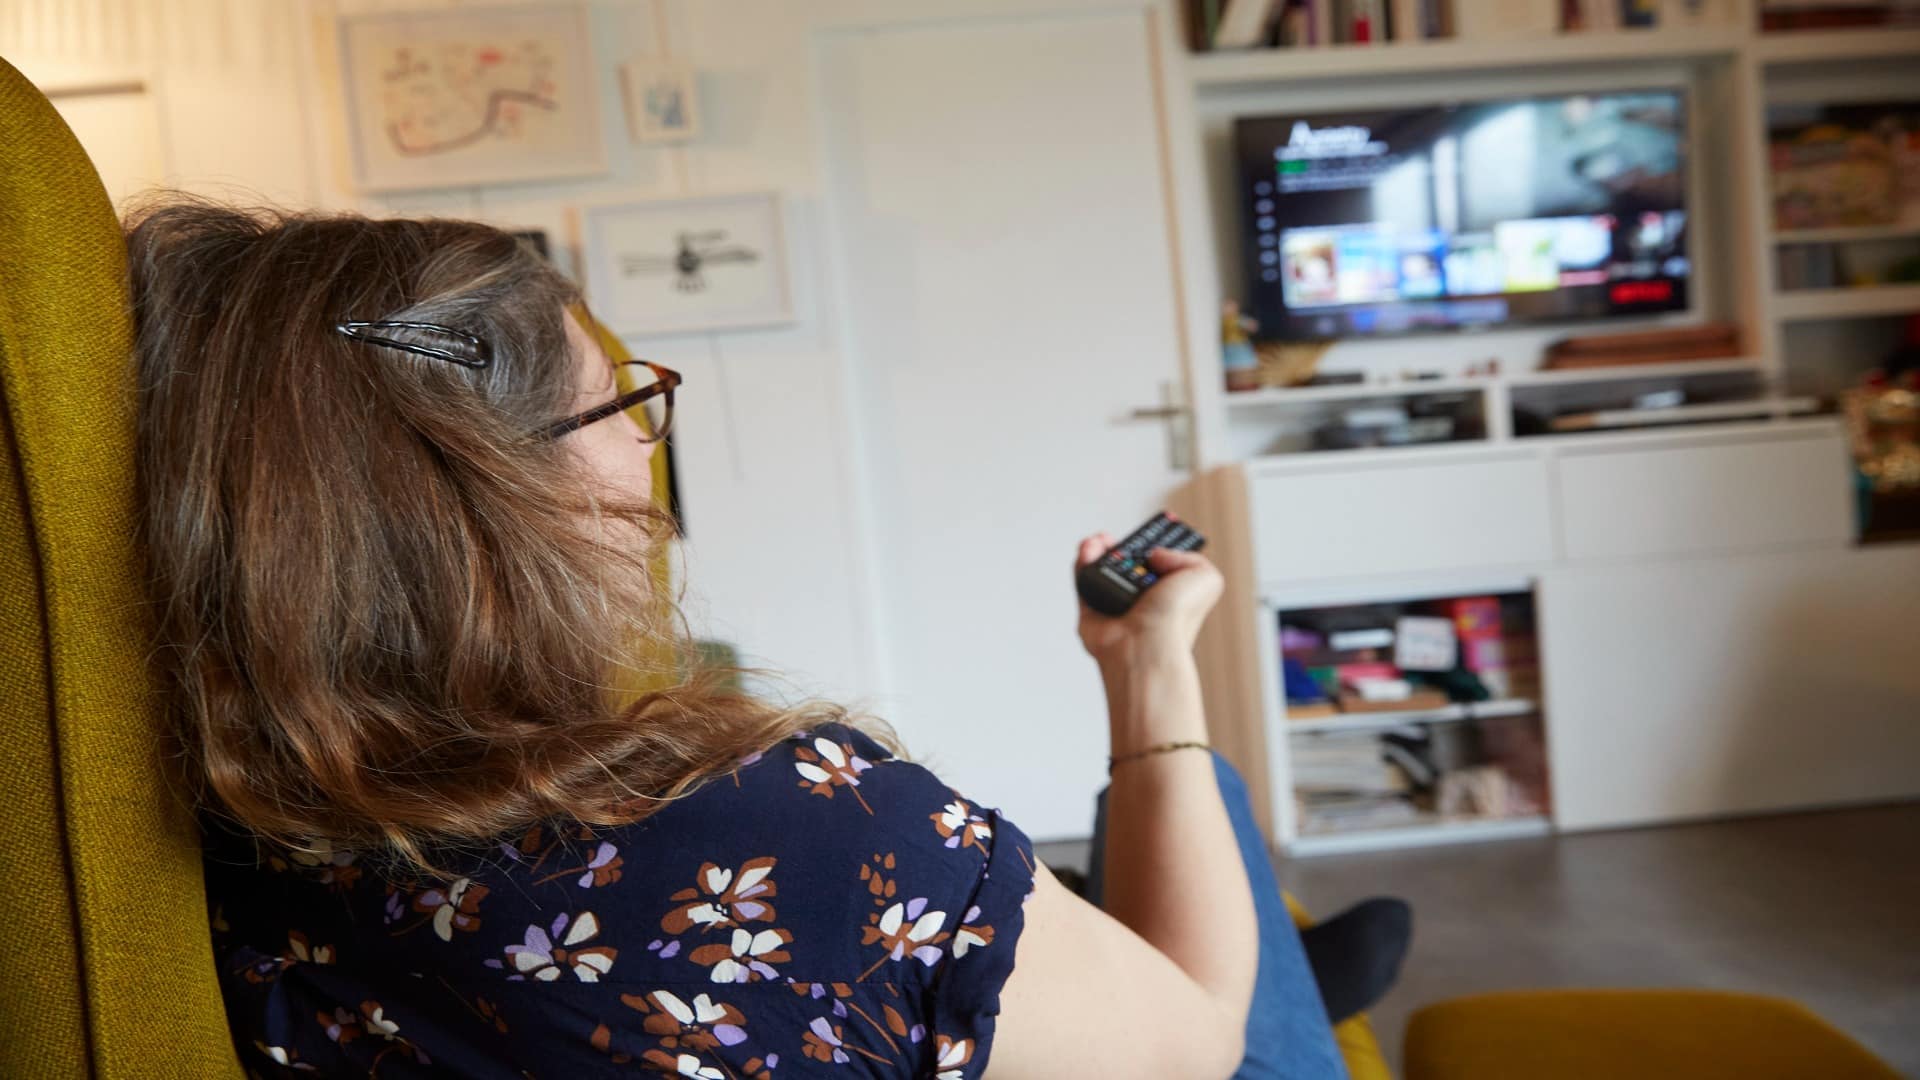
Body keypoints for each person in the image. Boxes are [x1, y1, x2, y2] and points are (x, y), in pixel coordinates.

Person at [127, 200, 1402, 1079]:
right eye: (622, 403)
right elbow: (1188, 1046)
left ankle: (1215, 949)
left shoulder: (248, 833)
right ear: (492, 485)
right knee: (1226, 924)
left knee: (1104, 894)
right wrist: (1147, 665)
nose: (644, 449)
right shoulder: (800, 830)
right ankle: (1283, 985)